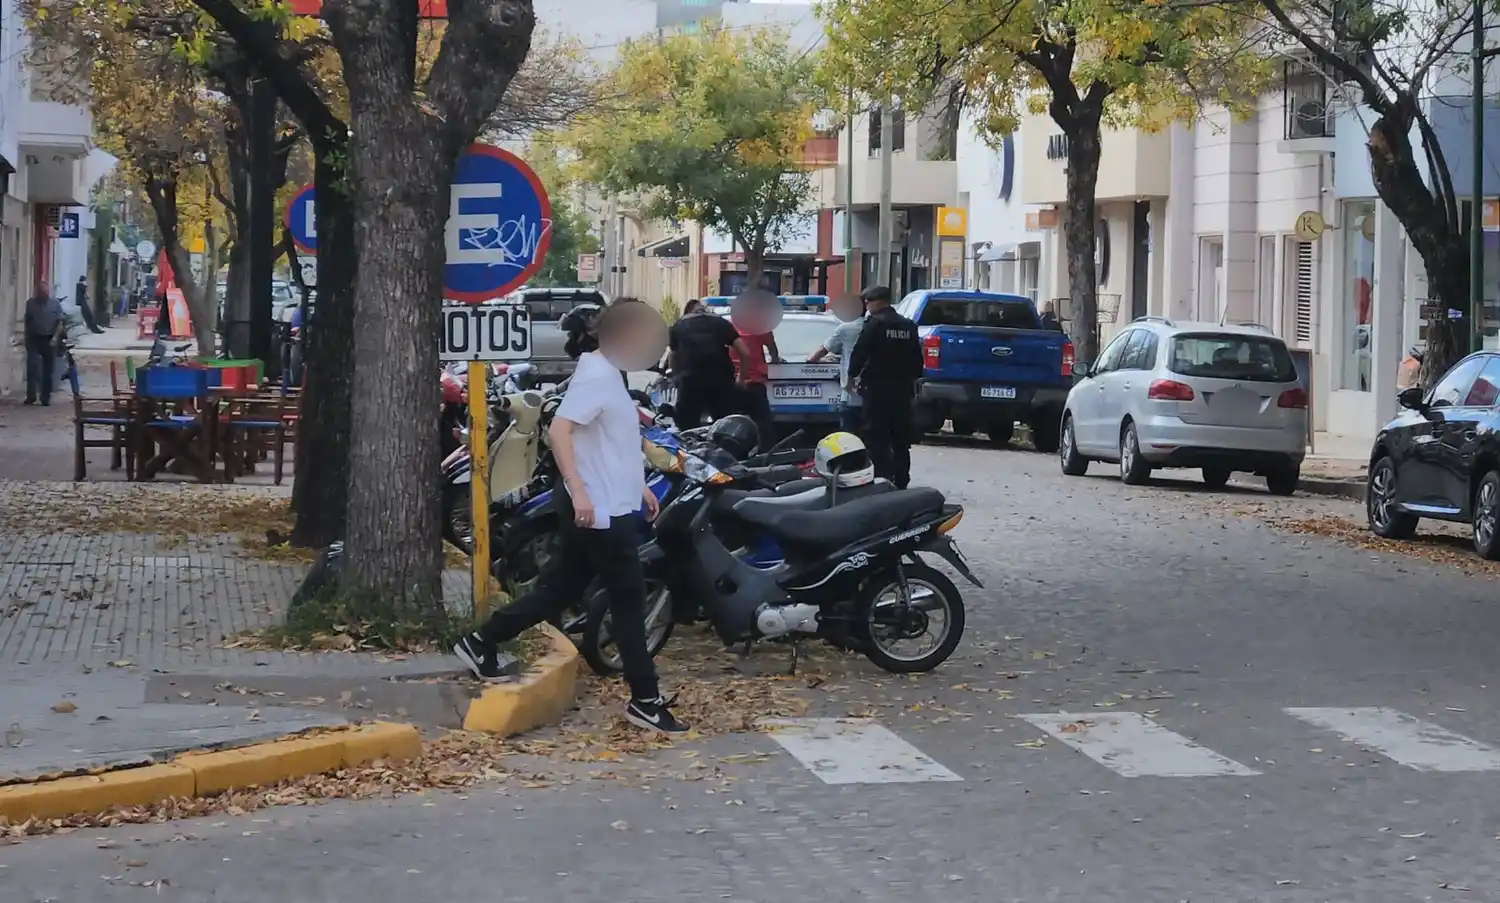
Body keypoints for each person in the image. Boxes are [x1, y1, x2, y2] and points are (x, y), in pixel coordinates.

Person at [453, 300, 686, 734]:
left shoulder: (608, 372)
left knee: (560, 588)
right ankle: (646, 701)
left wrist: (637, 485)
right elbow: (560, 431)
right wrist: (581, 493)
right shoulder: (597, 376)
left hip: (609, 501)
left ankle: (480, 640)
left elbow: (613, 436)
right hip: (598, 509)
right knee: (629, 602)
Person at [847, 285, 923, 489]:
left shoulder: (875, 324)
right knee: (900, 438)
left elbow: (860, 351)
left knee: (876, 436)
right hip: (902, 391)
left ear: (878, 302)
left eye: (868, 302)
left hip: (877, 390)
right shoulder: (908, 326)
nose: (866, 306)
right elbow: (918, 360)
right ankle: (902, 479)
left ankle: (882, 478)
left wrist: (851, 375)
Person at [667, 299, 747, 428]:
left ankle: (689, 445)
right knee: (724, 428)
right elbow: (745, 352)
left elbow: (673, 354)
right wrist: (742, 377)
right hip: (721, 381)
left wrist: (675, 377)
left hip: (690, 383)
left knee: (686, 428)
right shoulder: (722, 323)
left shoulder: (678, 326)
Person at [809, 302, 867, 436]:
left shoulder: (845, 329)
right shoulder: (874, 327)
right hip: (872, 394)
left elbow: (822, 351)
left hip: (850, 394)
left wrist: (810, 359)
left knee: (848, 434)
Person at [730, 315, 780, 445]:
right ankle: (765, 455)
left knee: (730, 424)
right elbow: (772, 349)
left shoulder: (726, 326)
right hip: (755, 383)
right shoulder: (760, 325)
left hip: (733, 383)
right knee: (763, 424)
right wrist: (775, 361)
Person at [23, 281, 64, 406]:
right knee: (32, 367)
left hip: (49, 338)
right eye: (40, 293)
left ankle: (45, 397)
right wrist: (27, 337)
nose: (43, 295)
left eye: (45, 293)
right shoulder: (30, 304)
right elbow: (27, 321)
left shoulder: (55, 304)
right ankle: (31, 396)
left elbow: (60, 323)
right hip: (34, 338)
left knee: (48, 370)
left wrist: (55, 338)